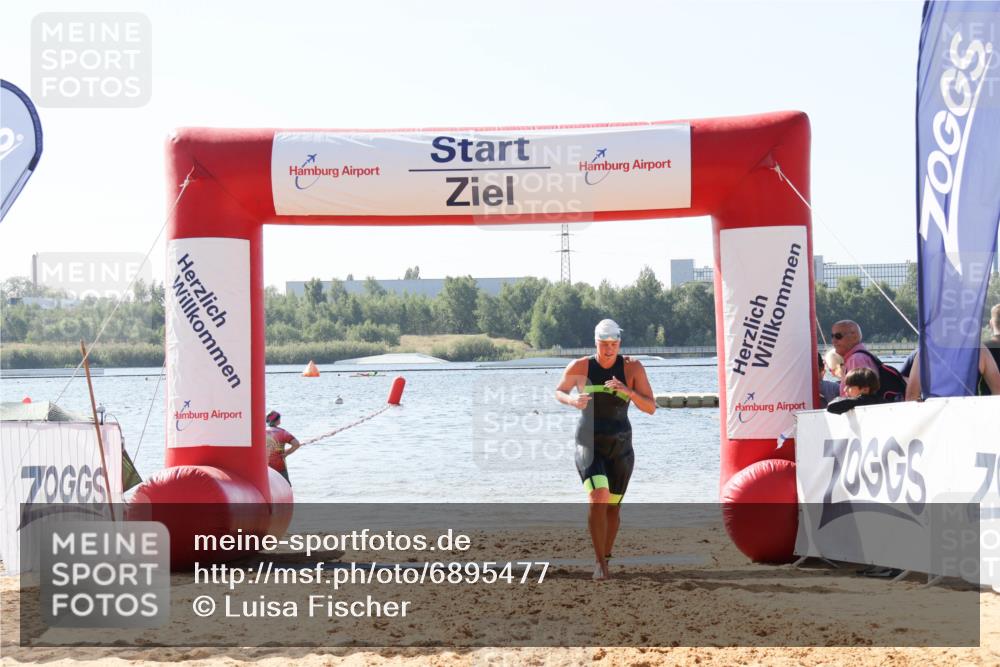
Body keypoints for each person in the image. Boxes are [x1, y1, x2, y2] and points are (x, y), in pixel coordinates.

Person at [555, 319, 656, 581]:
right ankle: (600, 563)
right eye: (604, 344)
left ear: (619, 343)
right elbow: (559, 390)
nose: (609, 349)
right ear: (596, 343)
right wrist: (572, 399)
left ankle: (606, 556)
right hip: (588, 442)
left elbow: (650, 407)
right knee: (598, 496)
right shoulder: (581, 366)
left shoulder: (632, 367)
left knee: (613, 508)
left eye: (614, 344)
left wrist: (628, 391)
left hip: (620, 446)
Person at [904, 346, 1000, 400]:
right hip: (969, 420)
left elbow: (911, 396)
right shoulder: (979, 350)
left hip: (933, 422)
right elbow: (998, 391)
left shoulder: (926, 351)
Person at [830, 320, 879, 397]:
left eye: (838, 336)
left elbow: (859, 397)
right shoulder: (860, 356)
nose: (833, 341)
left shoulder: (856, 359)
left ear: (854, 337)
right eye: (832, 336)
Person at [265, 410, 301, 484]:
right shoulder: (283, 432)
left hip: (265, 467)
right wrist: (286, 453)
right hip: (279, 466)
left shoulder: (261, 431)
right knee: (286, 486)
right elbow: (296, 444)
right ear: (278, 421)